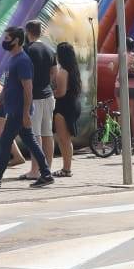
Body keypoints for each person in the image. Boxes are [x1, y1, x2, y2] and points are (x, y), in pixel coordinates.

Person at [0, 27, 52, 189]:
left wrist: (26, 112)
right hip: (14, 109)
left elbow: (28, 88)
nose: (4, 42)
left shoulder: (23, 61)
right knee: (31, 143)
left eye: (7, 39)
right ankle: (46, 174)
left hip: (19, 111)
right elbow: (6, 87)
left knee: (5, 141)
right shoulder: (13, 60)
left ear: (17, 41)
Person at [19, 21, 57, 181]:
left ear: (27, 32)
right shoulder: (50, 50)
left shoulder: (27, 50)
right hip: (48, 95)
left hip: (33, 97)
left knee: (34, 135)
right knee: (47, 133)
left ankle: (35, 170)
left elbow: (23, 75)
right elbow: (54, 72)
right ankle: (46, 167)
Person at [53, 42, 81, 177]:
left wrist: (52, 93)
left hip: (63, 106)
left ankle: (66, 169)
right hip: (73, 103)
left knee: (63, 139)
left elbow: (61, 92)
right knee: (66, 139)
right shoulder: (74, 69)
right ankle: (67, 167)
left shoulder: (63, 71)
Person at [113, 37, 134, 141]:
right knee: (133, 113)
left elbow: (114, 70)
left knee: (121, 112)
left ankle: (122, 137)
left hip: (120, 85)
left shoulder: (121, 56)